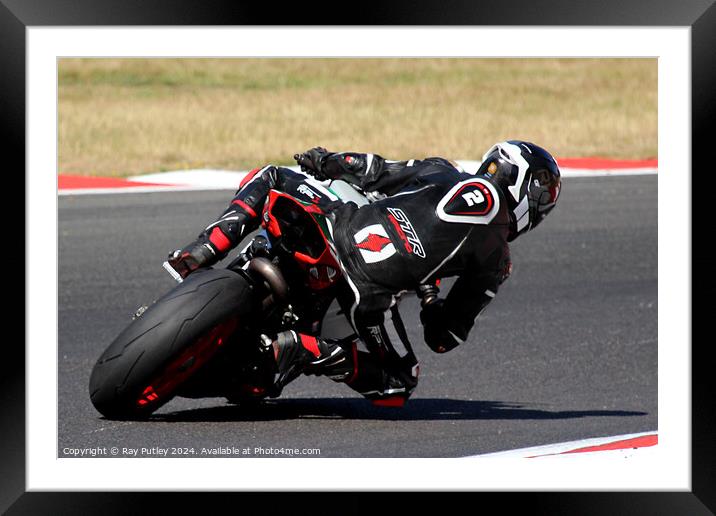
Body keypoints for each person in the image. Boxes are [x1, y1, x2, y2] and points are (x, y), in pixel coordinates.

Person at [167, 141, 561, 406]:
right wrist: (432, 304)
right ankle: (305, 349)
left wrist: (323, 160)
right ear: (526, 190)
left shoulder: (441, 170)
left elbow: (371, 169)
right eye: (542, 192)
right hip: (368, 296)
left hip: (336, 225)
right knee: (399, 384)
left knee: (270, 177)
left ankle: (202, 250)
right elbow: (444, 337)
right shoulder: (497, 261)